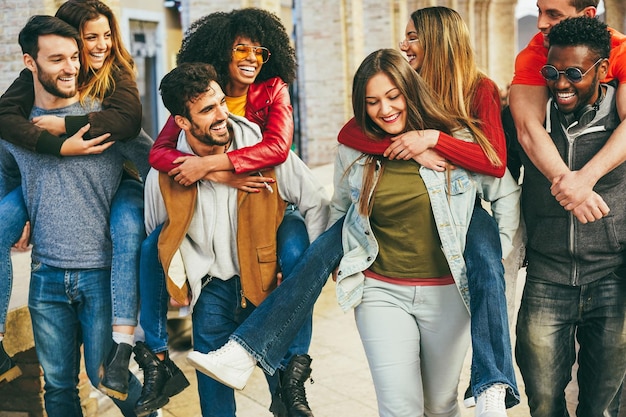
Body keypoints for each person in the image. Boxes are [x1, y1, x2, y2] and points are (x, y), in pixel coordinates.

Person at [337, 6, 520, 415]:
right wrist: (405, 146)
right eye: (405, 36)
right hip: (382, 285)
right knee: (400, 406)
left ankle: (492, 380)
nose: (405, 44)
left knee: (440, 405)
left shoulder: (478, 88)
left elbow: (493, 163)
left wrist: (435, 140)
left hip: (457, 243)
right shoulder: (407, 86)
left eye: (414, 36)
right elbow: (351, 133)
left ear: (439, 40)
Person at [135, 9, 309, 417]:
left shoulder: (270, 96)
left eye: (259, 51)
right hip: (210, 284)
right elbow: (161, 157)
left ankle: (296, 371)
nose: (251, 58)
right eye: (240, 49)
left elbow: (280, 152)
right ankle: (154, 355)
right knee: (214, 395)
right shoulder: (187, 118)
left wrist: (216, 168)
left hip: (262, 264)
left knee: (284, 387)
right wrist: (202, 175)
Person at [0, 0, 157, 401]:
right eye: (60, 57)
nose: (73, 64)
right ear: (32, 63)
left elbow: (155, 166)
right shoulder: (17, 122)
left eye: (75, 55)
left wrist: (168, 249)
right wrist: (21, 216)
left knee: (107, 377)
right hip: (45, 275)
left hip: (99, 275)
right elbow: (8, 176)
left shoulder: (107, 113)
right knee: (57, 390)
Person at [512, 16, 626, 417]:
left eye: (574, 73)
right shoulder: (533, 112)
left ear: (603, 70)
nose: (560, 83)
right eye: (552, 72)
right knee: (543, 402)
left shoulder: (620, 117)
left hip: (611, 276)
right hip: (547, 276)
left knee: (602, 405)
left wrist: (584, 182)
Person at [508, 0, 626, 225]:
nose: (541, 23)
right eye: (539, 11)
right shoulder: (532, 55)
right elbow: (527, 128)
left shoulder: (621, 49)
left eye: (553, 14)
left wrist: (585, 178)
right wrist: (572, 188)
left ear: (588, 14)